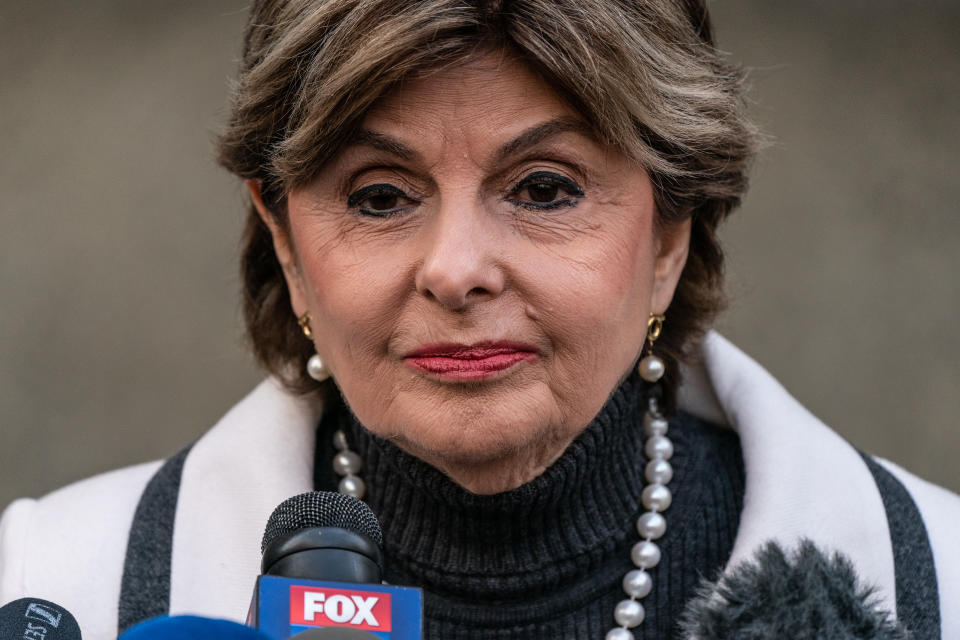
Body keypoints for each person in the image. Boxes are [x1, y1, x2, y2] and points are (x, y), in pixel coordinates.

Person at [1, 1, 957, 638]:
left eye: (544, 188)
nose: (456, 271)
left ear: (671, 235)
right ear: (286, 243)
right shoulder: (47, 585)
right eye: (379, 196)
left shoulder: (942, 581)